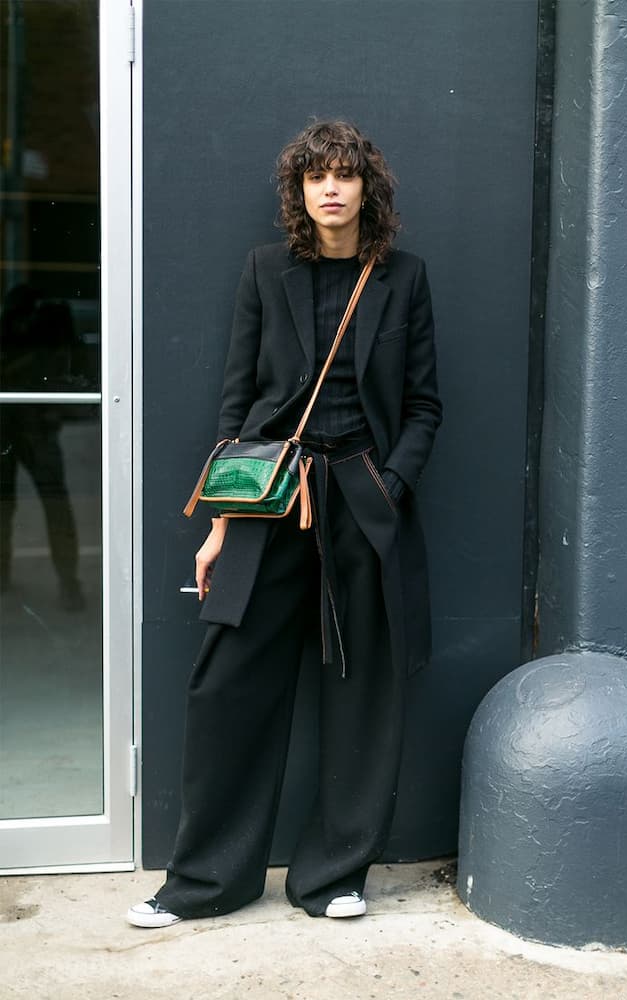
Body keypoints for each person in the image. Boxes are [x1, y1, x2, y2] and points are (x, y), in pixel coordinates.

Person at [127, 120, 442, 928]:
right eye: (316, 178)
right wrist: (220, 521)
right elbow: (237, 404)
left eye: (345, 176)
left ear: (367, 190)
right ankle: (203, 883)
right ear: (299, 193)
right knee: (227, 682)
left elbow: (423, 404)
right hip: (272, 499)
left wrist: (390, 484)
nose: (331, 188)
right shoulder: (266, 271)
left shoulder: (402, 278)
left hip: (362, 502)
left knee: (362, 691)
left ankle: (334, 876)